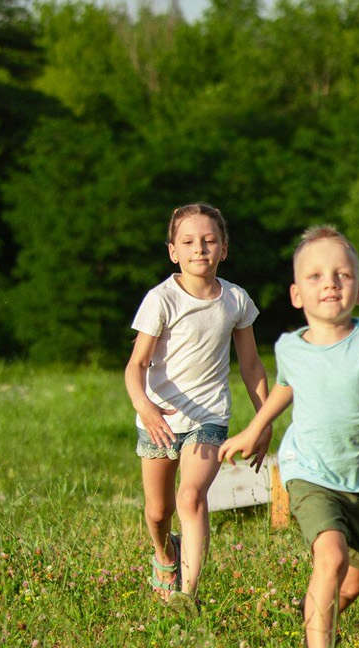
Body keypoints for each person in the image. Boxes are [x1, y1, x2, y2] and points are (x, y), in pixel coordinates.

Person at [219, 226, 359, 648]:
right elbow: (285, 388)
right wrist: (255, 429)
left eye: (343, 274)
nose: (330, 283)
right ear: (297, 294)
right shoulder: (291, 346)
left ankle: (311, 613)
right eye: (315, 276)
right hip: (307, 468)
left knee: (350, 584)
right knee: (329, 557)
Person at [124, 203, 270, 609]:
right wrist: (146, 407)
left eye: (209, 241)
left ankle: (186, 596)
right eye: (188, 242)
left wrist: (263, 420)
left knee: (191, 497)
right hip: (160, 419)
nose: (199, 249)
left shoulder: (236, 300)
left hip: (209, 416)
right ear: (173, 251)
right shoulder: (161, 300)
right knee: (158, 512)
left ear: (224, 248)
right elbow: (135, 366)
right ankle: (165, 553)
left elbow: (252, 365)